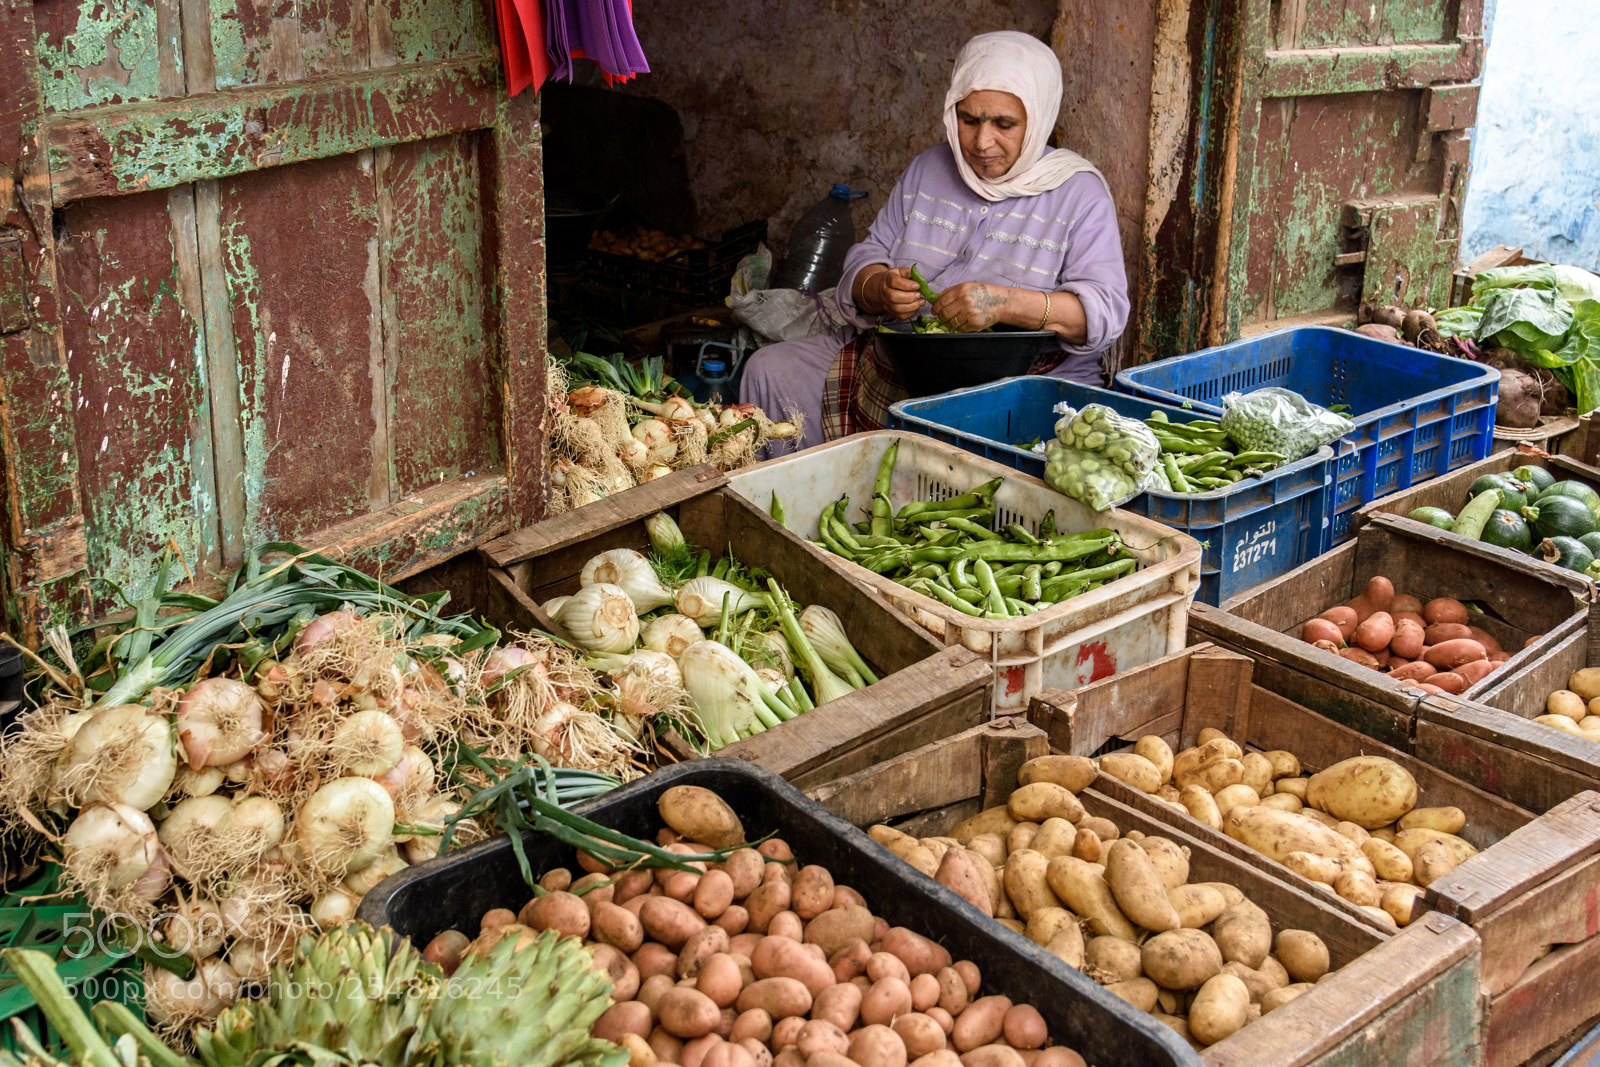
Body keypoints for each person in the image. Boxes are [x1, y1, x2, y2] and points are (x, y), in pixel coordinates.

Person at [740, 30, 1130, 452]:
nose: (982, 142)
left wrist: (1003, 303)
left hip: (1023, 378)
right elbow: (868, 256)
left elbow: (1103, 311)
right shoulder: (928, 169)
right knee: (769, 370)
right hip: (908, 363)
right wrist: (877, 287)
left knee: (999, 438)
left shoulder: (1077, 192)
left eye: (1004, 124)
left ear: (1038, 119)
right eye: (969, 119)